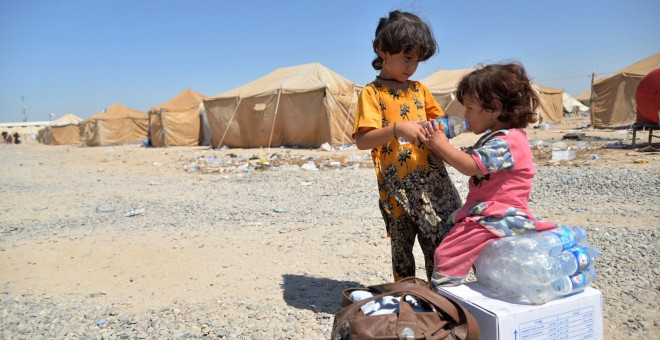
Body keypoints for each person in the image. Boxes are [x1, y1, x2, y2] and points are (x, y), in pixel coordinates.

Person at [423, 63, 558, 289]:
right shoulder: (501, 138)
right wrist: (438, 147)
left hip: (497, 215)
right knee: (485, 263)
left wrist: (440, 144)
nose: (465, 115)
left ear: (494, 108)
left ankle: (443, 302)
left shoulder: (507, 142)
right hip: (489, 214)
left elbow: (469, 166)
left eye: (469, 108)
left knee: (448, 254)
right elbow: (470, 161)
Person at [352, 10, 462, 283]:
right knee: (402, 250)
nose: (411, 66)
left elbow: (440, 124)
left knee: (439, 243)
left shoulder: (419, 90)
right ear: (382, 50)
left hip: (431, 183)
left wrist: (445, 129)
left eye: (417, 60)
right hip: (397, 188)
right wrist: (397, 129)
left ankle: (440, 302)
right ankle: (407, 302)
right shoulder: (372, 93)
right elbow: (363, 141)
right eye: (406, 57)